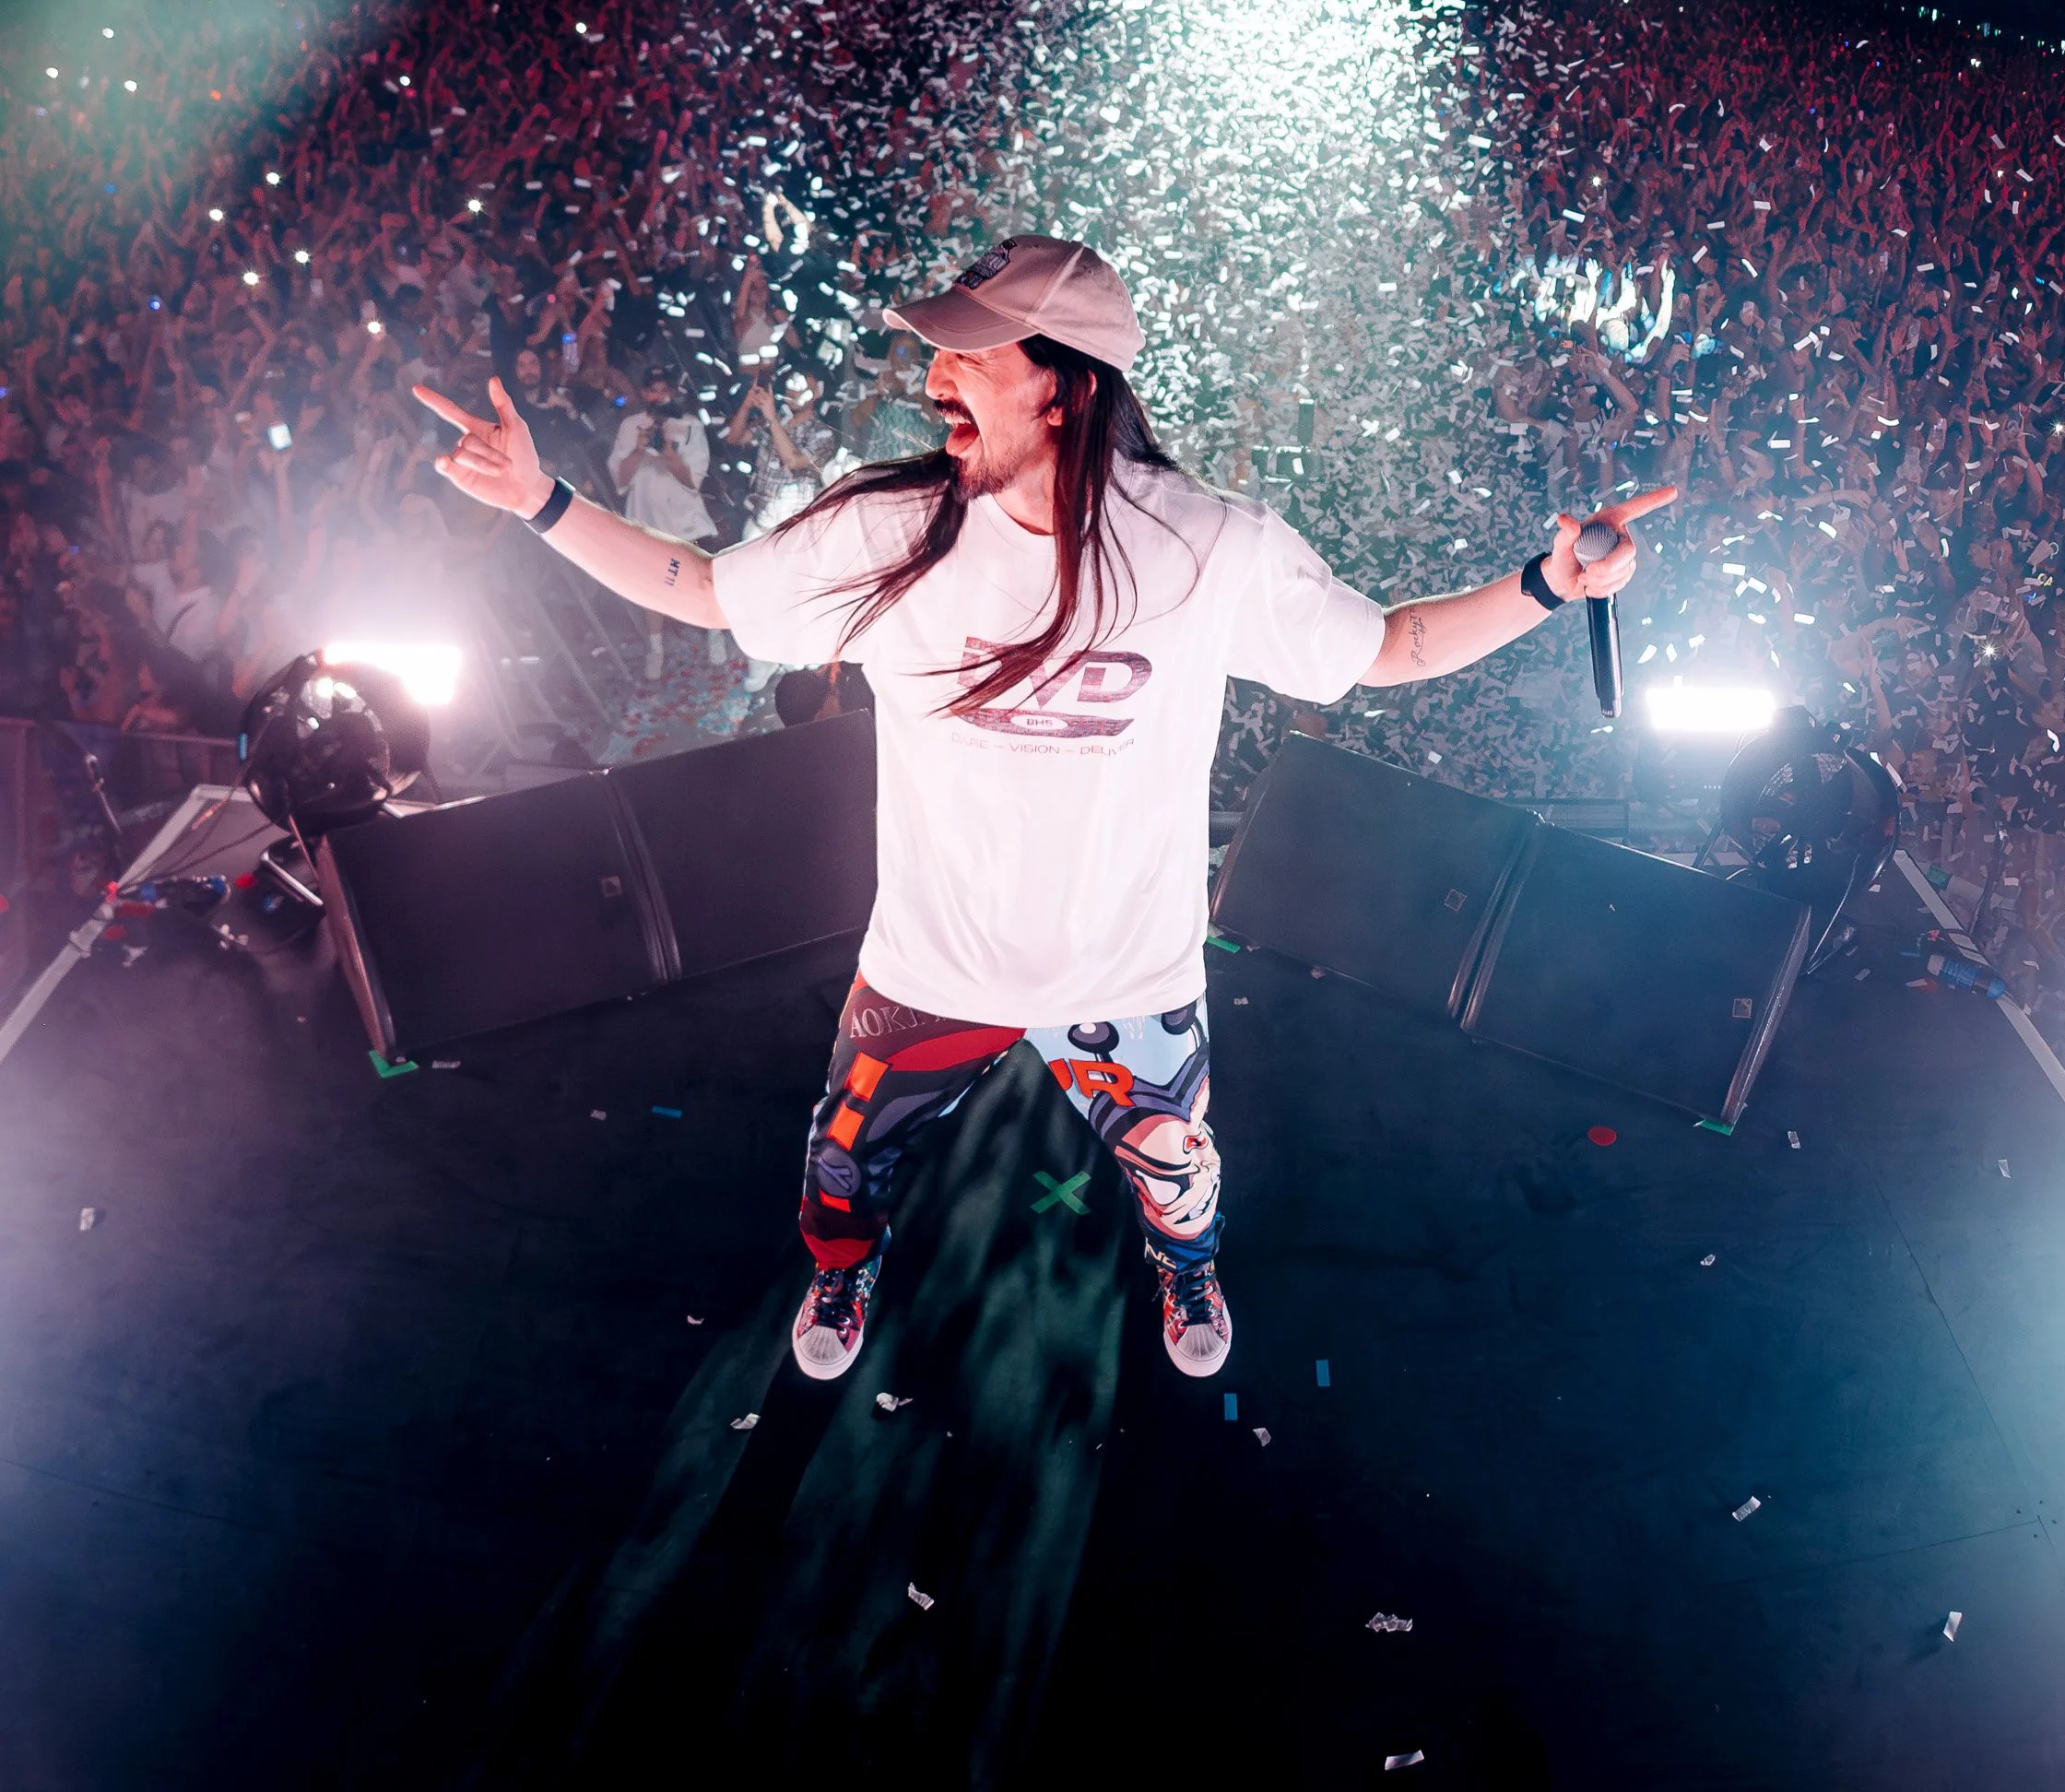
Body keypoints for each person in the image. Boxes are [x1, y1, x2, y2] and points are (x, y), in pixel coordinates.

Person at [419, 230, 1669, 1385]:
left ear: (1065, 384)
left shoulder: (1208, 546)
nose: (933, 375)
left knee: (1179, 1180)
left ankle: (1189, 1273)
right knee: (843, 1167)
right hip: (928, 968)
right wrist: (540, 500)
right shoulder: (888, 529)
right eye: (936, 350)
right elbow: (704, 589)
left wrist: (1551, 582)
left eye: (969, 353)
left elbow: (1387, 648)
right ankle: (844, 1278)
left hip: (1127, 980)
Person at [608, 362, 719, 680]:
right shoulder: (631, 426)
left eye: (664, 390)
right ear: (645, 392)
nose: (658, 396)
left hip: (684, 518)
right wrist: (639, 450)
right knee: (651, 585)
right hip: (645, 518)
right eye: (652, 390)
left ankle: (713, 633)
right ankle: (655, 649)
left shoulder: (690, 426)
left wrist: (670, 453)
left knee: (699, 578)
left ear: (672, 390)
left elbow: (693, 481)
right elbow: (620, 480)